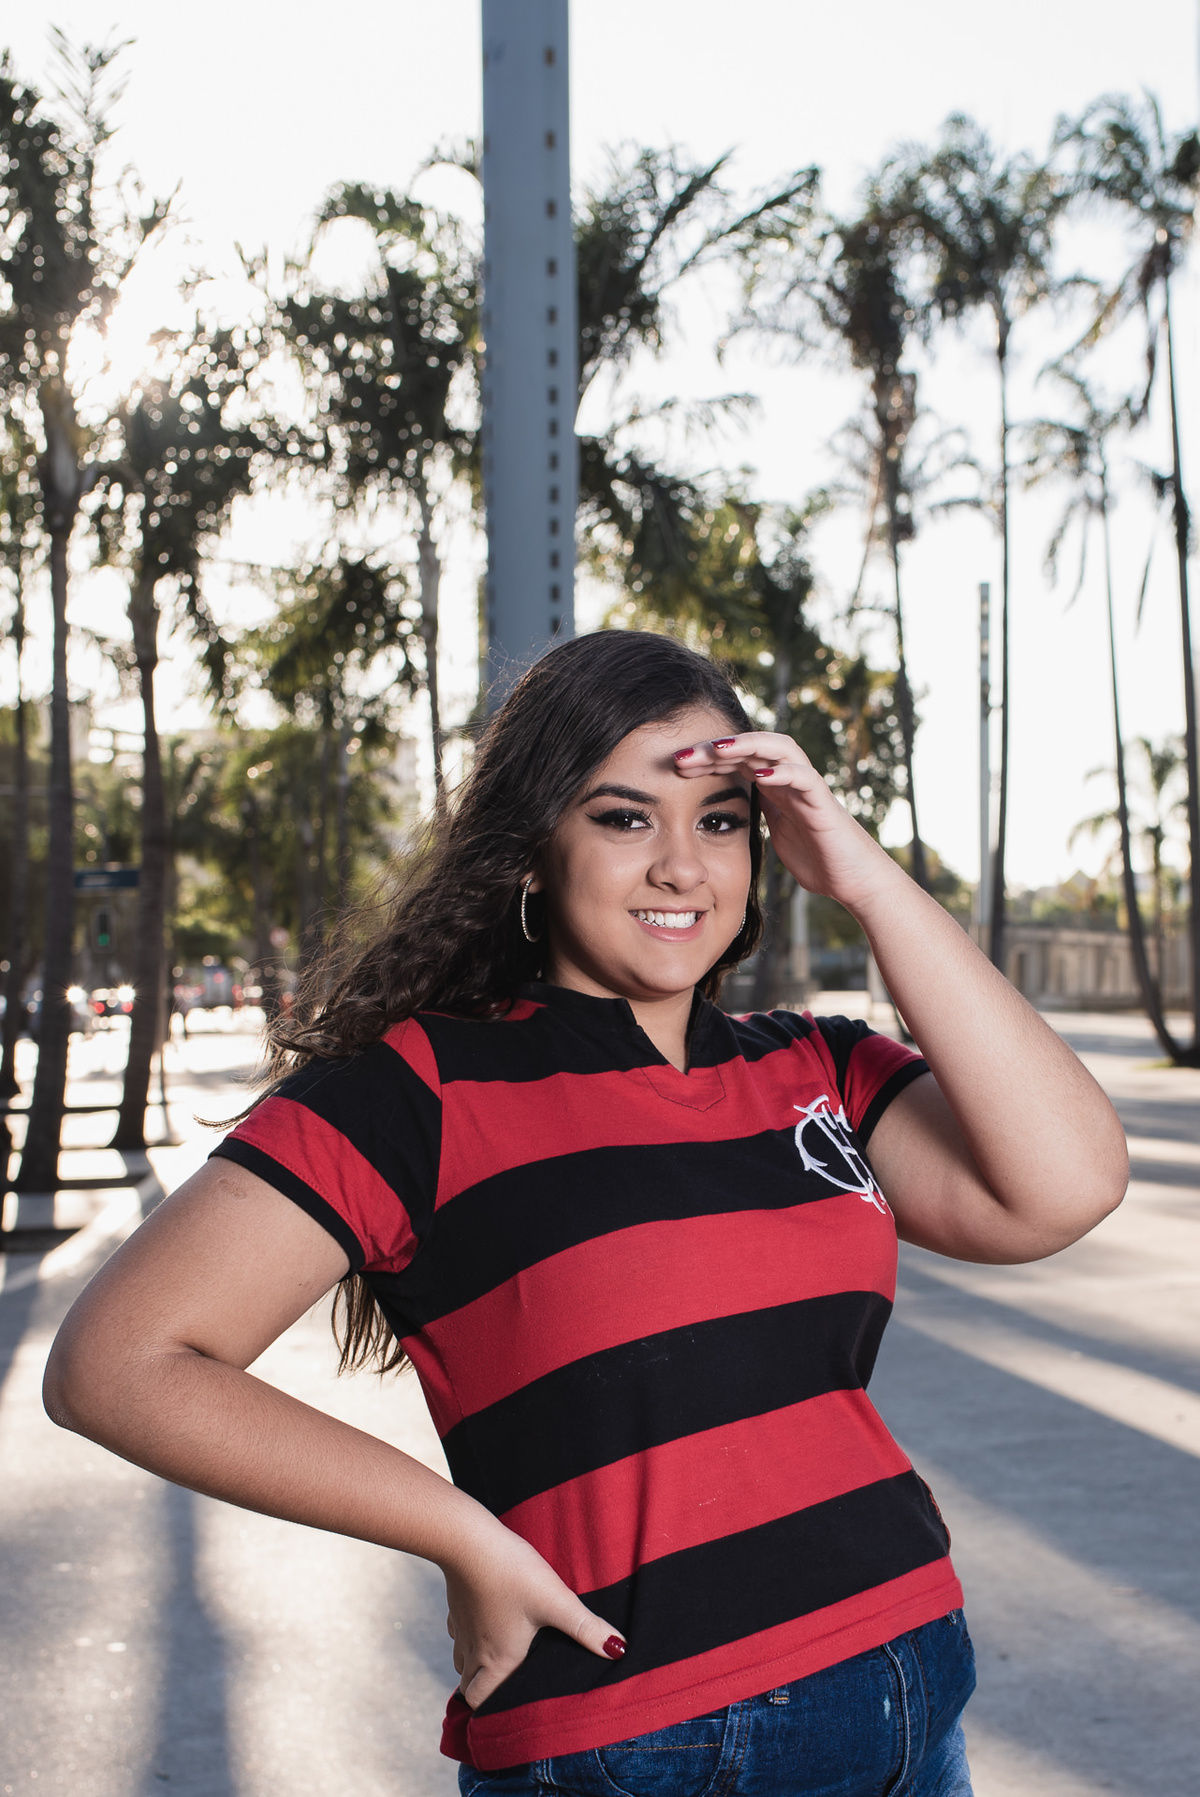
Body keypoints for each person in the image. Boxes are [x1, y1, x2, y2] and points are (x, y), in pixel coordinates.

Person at [44, 631, 1127, 1797]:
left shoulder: (817, 1065)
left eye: (720, 820)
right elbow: (117, 1365)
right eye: (623, 817)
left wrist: (859, 875)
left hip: (911, 1679)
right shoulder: (419, 1089)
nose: (682, 865)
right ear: (530, 854)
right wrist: (459, 1533)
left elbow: (1063, 1187)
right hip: (643, 1740)